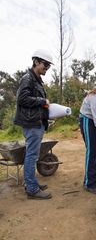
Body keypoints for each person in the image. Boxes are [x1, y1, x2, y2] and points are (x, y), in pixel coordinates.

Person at [14, 49, 53, 199]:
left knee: (33, 155)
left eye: (49, 66)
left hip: (36, 122)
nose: (47, 68)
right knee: (32, 155)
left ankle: (32, 183)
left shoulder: (36, 80)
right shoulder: (27, 78)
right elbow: (22, 99)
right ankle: (31, 189)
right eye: (45, 64)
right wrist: (42, 101)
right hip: (31, 123)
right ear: (36, 61)